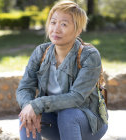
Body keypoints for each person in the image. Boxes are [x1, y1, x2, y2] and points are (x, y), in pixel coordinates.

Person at [16, 1, 108, 140]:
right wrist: (28, 106)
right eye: (53, 22)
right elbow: (24, 87)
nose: (56, 29)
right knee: (26, 115)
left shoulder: (89, 55)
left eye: (64, 24)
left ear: (78, 30)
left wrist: (38, 104)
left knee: (68, 114)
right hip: (54, 123)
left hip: (88, 124)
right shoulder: (41, 51)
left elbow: (76, 98)